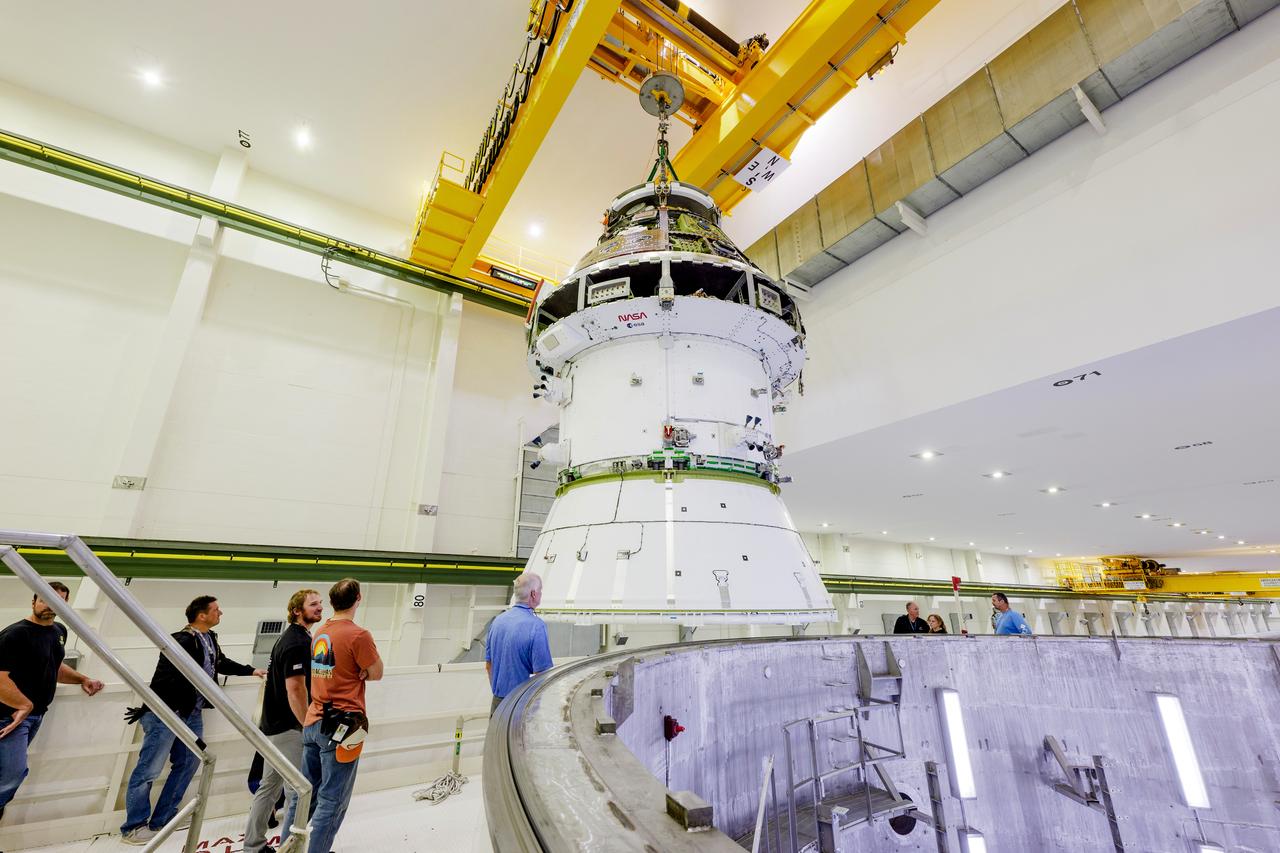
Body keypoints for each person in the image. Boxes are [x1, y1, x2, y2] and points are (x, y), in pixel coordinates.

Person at [121, 596, 265, 845]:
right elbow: (164, 676)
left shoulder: (210, 639)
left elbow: (219, 663)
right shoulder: (182, 639)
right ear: (201, 615)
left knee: (189, 762)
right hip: (167, 713)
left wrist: (250, 670)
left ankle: (163, 818)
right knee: (149, 769)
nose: (221, 613)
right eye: (216, 610)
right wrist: (155, 709)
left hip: (192, 714)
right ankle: (133, 827)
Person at [0, 582, 103, 820]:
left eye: (58, 601)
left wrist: (82, 679)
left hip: (34, 716)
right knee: (11, 776)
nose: (49, 606)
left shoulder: (58, 631)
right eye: (45, 600)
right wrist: (24, 705)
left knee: (6, 776)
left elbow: (53, 666)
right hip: (10, 717)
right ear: (34, 601)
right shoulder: (14, 635)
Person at [302, 578, 382, 853]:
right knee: (332, 800)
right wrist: (362, 671)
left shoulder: (320, 632)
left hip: (313, 720)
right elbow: (377, 672)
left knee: (305, 797)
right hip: (343, 726)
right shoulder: (358, 635)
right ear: (358, 598)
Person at [244, 589, 323, 853]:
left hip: (273, 726)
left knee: (269, 787)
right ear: (297, 610)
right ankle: (292, 847)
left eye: (320, 603)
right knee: (297, 790)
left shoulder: (292, 638)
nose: (319, 608)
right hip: (289, 728)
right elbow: (296, 689)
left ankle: (253, 846)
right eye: (313, 604)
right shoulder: (297, 642)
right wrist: (306, 724)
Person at [485, 572, 554, 713]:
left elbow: (488, 666)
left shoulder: (497, 621)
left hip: (497, 704)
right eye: (540, 591)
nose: (540, 594)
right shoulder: (536, 626)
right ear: (534, 594)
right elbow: (542, 674)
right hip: (520, 706)